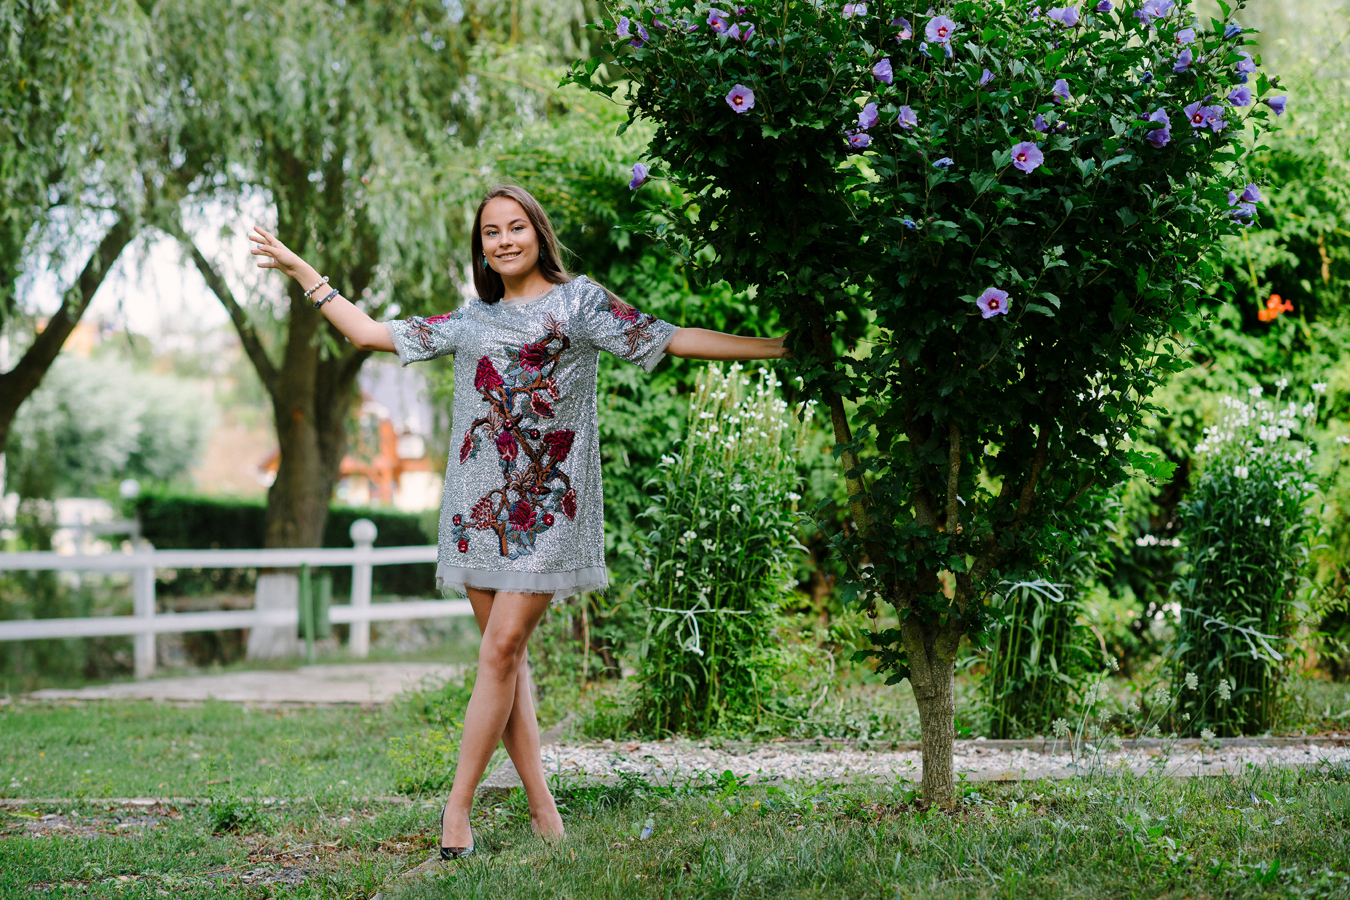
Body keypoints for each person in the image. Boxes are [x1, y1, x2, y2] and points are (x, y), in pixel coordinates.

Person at [249, 184, 788, 858]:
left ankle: (456, 810)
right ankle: (543, 811)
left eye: (515, 228)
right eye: (490, 232)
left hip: (546, 510)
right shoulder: (471, 320)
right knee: (505, 662)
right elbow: (367, 333)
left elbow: (671, 339)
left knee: (500, 650)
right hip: (475, 513)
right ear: (481, 248)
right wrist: (301, 270)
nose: (503, 241)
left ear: (538, 233)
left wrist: (778, 346)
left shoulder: (580, 303)